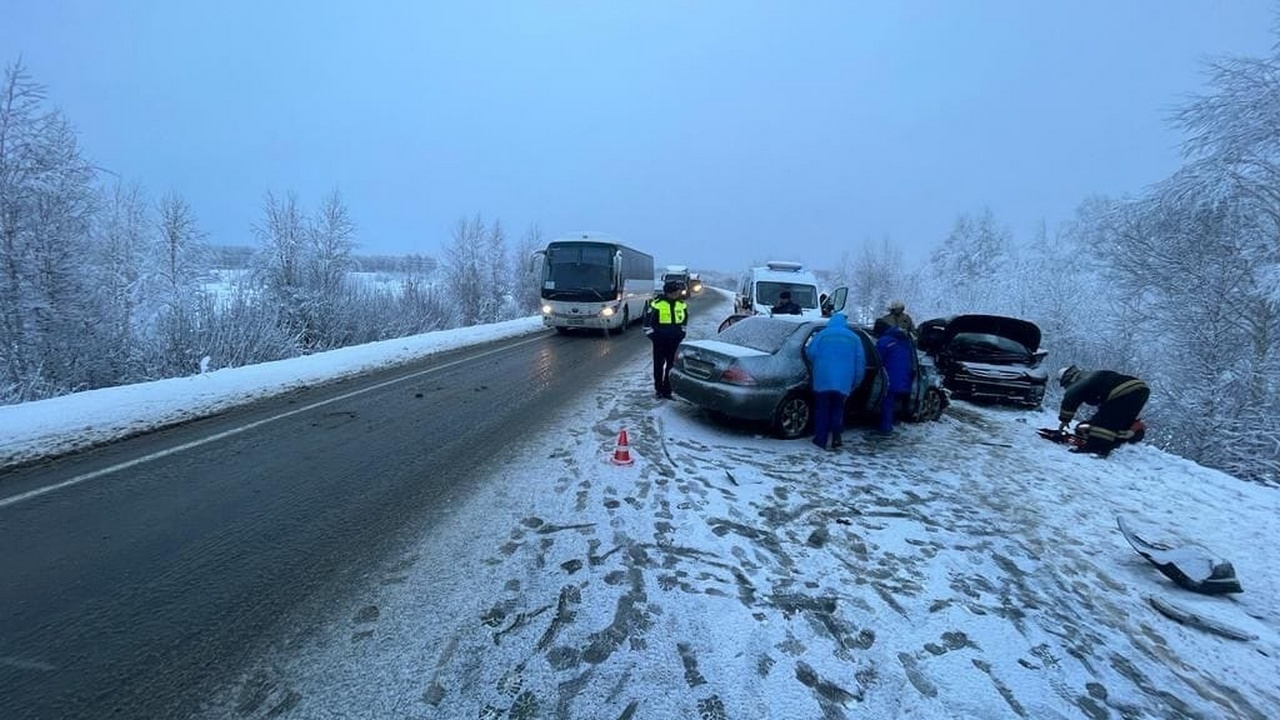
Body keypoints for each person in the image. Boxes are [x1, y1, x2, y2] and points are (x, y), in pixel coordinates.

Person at [803, 312, 866, 450]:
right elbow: (860, 362)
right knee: (838, 408)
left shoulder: (822, 334)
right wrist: (857, 381)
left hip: (823, 377)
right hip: (844, 381)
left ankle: (821, 440)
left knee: (822, 409)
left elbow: (810, 353)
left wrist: (819, 362)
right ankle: (836, 436)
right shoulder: (854, 338)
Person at [1056, 364, 1149, 457]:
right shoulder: (1091, 375)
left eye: (1066, 386)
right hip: (1140, 390)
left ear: (1068, 379)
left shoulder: (1080, 380)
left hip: (1124, 391)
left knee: (1102, 424)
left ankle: (1096, 448)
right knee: (1116, 421)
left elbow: (1071, 398)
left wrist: (1065, 419)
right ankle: (1132, 433)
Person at [644, 281, 689, 399]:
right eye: (674, 291)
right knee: (659, 366)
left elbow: (684, 322)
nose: (676, 294)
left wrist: (681, 334)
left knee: (671, 366)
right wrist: (655, 338)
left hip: (675, 341)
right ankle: (659, 390)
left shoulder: (682, 304)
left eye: (677, 291)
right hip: (660, 342)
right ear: (668, 292)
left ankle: (667, 391)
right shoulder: (656, 304)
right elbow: (647, 326)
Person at [874, 320, 914, 434]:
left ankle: (885, 428)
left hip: (890, 376)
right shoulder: (904, 340)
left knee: (887, 401)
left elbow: (877, 358)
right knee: (892, 401)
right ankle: (892, 421)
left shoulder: (884, 341)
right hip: (906, 375)